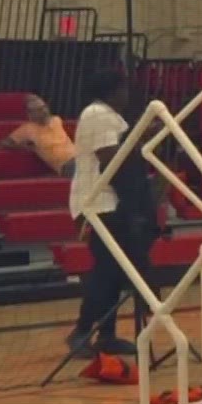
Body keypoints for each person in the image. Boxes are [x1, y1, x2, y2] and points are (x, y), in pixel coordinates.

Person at [66, 68, 155, 358]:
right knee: (105, 271)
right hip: (99, 204)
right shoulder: (98, 114)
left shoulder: (109, 117)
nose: (127, 95)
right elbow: (110, 159)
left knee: (116, 272)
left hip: (110, 204)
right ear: (113, 90)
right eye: (124, 89)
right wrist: (140, 137)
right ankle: (81, 331)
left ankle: (106, 335)